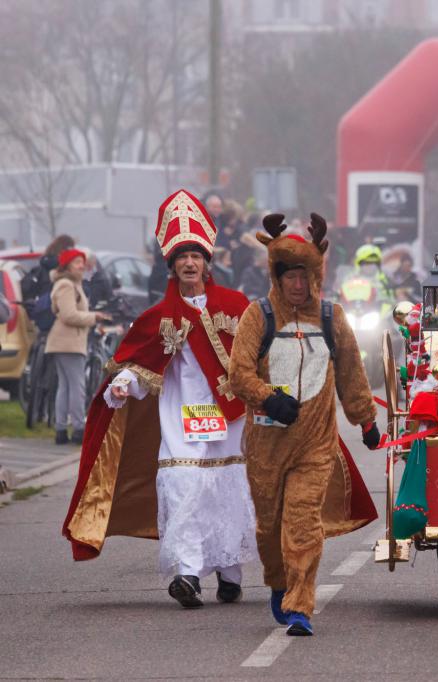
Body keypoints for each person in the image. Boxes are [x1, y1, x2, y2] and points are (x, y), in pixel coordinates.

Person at [62, 189, 257, 608]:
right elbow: (139, 364)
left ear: (207, 262)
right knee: (183, 485)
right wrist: (123, 384)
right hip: (180, 416)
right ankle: (187, 573)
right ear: (171, 265)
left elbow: (258, 355)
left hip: (228, 419)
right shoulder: (157, 318)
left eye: (196, 256)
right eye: (182, 257)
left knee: (223, 488)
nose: (190, 263)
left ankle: (229, 572)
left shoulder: (237, 307)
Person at [229, 212, 380, 637]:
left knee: (303, 522)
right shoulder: (257, 317)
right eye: (289, 275)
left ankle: (300, 604)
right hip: (265, 448)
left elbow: (352, 372)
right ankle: (279, 581)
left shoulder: (332, 318)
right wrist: (268, 399)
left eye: (304, 275)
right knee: (269, 527)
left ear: (316, 274)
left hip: (314, 446)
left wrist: (366, 420)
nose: (297, 284)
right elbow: (238, 373)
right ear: (277, 276)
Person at [46, 248, 111, 444]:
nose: (81, 266)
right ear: (66, 265)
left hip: (65, 341)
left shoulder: (72, 283)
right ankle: (78, 429)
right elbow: (68, 315)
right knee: (76, 386)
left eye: (82, 262)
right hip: (68, 342)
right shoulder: (66, 285)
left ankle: (60, 430)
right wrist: (94, 316)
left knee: (65, 387)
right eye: (76, 262)